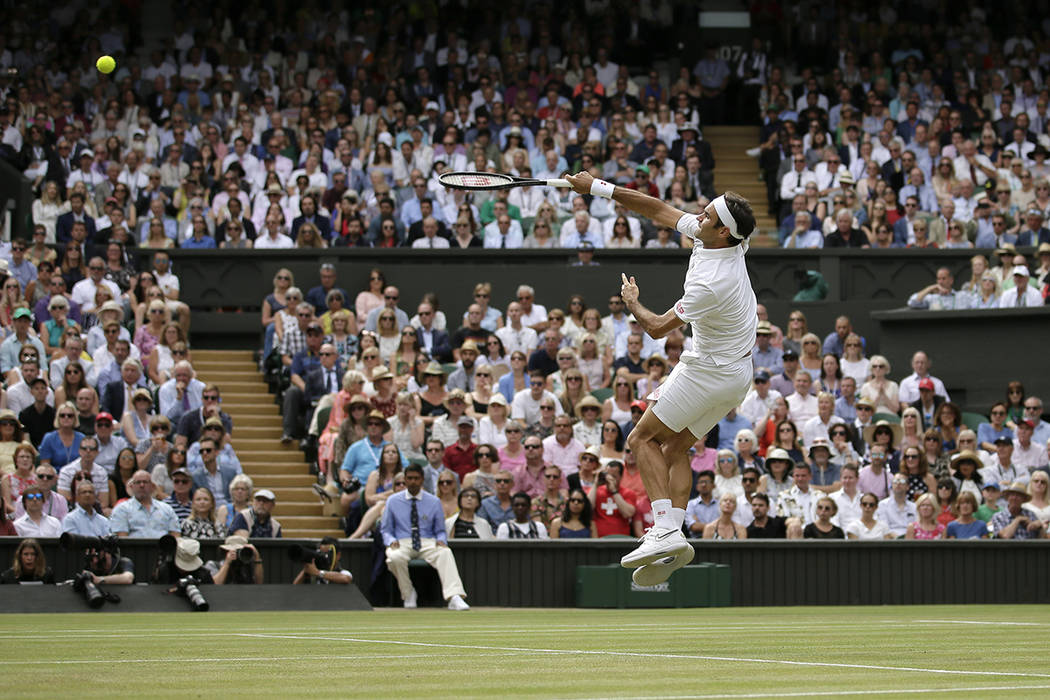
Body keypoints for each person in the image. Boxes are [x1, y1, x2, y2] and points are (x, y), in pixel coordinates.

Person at [562, 172, 757, 584]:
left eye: (705, 215)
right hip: (737, 374)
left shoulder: (711, 282)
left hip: (709, 369)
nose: (696, 217)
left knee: (640, 439)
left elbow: (655, 329)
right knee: (672, 447)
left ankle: (664, 530)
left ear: (723, 230)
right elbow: (657, 208)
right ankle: (676, 532)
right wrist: (596, 186)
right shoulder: (724, 238)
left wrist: (633, 302)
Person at [381, 463, 470, 610]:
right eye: (409, 478)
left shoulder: (434, 501)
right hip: (402, 542)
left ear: (422, 479)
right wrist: (391, 541)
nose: (413, 482)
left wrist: (441, 540)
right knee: (394, 557)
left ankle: (454, 596)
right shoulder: (393, 501)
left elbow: (440, 530)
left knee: (445, 552)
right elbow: (386, 530)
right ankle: (408, 593)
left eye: (416, 478)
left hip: (427, 541)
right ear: (405, 479)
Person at [109, 469, 180, 537]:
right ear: (132, 486)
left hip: (164, 548)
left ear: (152, 486)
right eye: (138, 482)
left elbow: (176, 536)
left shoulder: (166, 509)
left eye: (145, 482)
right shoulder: (122, 509)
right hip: (134, 549)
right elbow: (121, 540)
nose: (142, 485)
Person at [877, 473, 917, 538]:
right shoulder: (882, 505)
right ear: (892, 485)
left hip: (910, 539)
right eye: (895, 481)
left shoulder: (914, 507)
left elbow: (916, 527)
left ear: (907, 487)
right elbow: (884, 527)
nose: (898, 484)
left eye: (902, 481)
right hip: (890, 540)